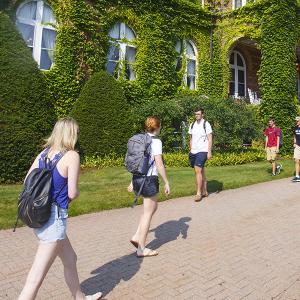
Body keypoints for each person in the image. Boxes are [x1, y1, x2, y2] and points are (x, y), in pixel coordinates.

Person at [18, 117, 102, 300]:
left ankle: (79, 297)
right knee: (35, 278)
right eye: (77, 132)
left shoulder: (43, 154)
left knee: (70, 259)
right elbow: (72, 192)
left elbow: (27, 182)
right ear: (71, 134)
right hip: (54, 220)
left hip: (39, 217)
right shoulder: (72, 156)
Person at [127, 116, 170, 257]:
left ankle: (136, 236)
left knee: (152, 207)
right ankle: (141, 248)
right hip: (149, 179)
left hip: (138, 178)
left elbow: (137, 161)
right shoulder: (156, 142)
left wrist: (132, 181)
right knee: (147, 214)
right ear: (157, 127)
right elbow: (159, 164)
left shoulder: (141, 139)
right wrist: (166, 182)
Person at [188, 108, 213, 202]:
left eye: (198, 114)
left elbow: (210, 139)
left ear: (202, 115)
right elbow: (190, 138)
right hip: (194, 151)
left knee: (197, 170)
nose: (196, 116)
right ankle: (205, 191)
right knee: (200, 170)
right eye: (195, 114)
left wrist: (209, 151)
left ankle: (198, 193)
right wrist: (190, 150)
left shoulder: (206, 124)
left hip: (203, 150)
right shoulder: (192, 124)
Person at [292, 116, 300, 182]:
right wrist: (294, 142)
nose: (296, 122)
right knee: (296, 160)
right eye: (296, 121)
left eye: (297, 121)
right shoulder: (295, 128)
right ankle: (297, 176)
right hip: (297, 146)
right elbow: (294, 136)